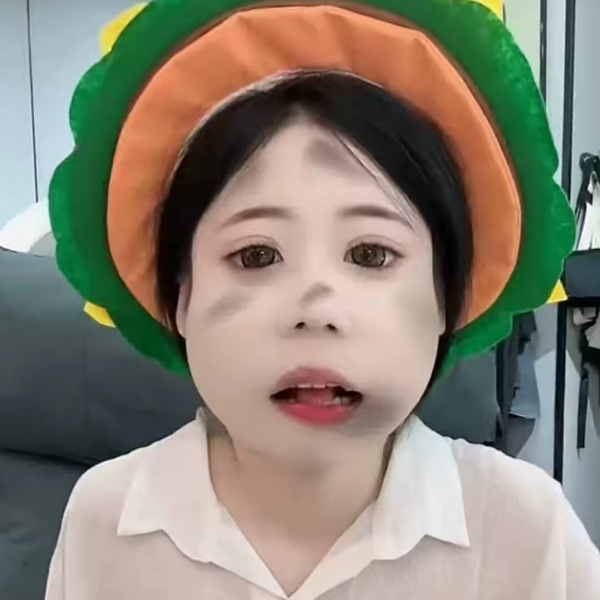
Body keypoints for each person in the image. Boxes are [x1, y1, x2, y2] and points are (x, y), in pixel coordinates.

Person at [44, 0, 599, 598]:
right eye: (256, 255)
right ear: (180, 301)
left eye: (371, 254)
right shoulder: (106, 519)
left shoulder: (525, 530)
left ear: (445, 301)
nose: (317, 310)